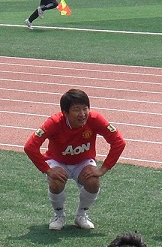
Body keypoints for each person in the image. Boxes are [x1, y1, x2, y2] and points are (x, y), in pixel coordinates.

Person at [24, 88, 127, 231]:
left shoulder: (95, 119)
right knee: (56, 181)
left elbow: (119, 142)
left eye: (85, 109)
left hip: (83, 162)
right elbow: (30, 146)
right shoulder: (54, 122)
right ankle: (59, 215)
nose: (82, 114)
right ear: (65, 112)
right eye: (77, 110)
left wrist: (103, 169)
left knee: (93, 181)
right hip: (57, 161)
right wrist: (48, 170)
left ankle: (81, 215)